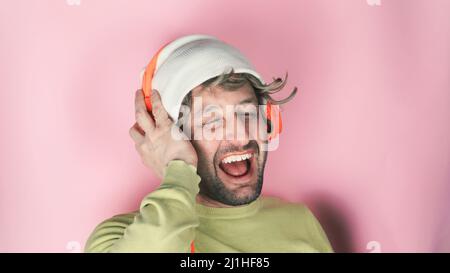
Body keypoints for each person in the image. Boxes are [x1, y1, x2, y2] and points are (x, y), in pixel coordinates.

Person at [85, 34, 333, 253]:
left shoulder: (300, 222)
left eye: (247, 114)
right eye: (211, 121)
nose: (241, 137)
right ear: (172, 137)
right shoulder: (118, 236)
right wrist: (178, 166)